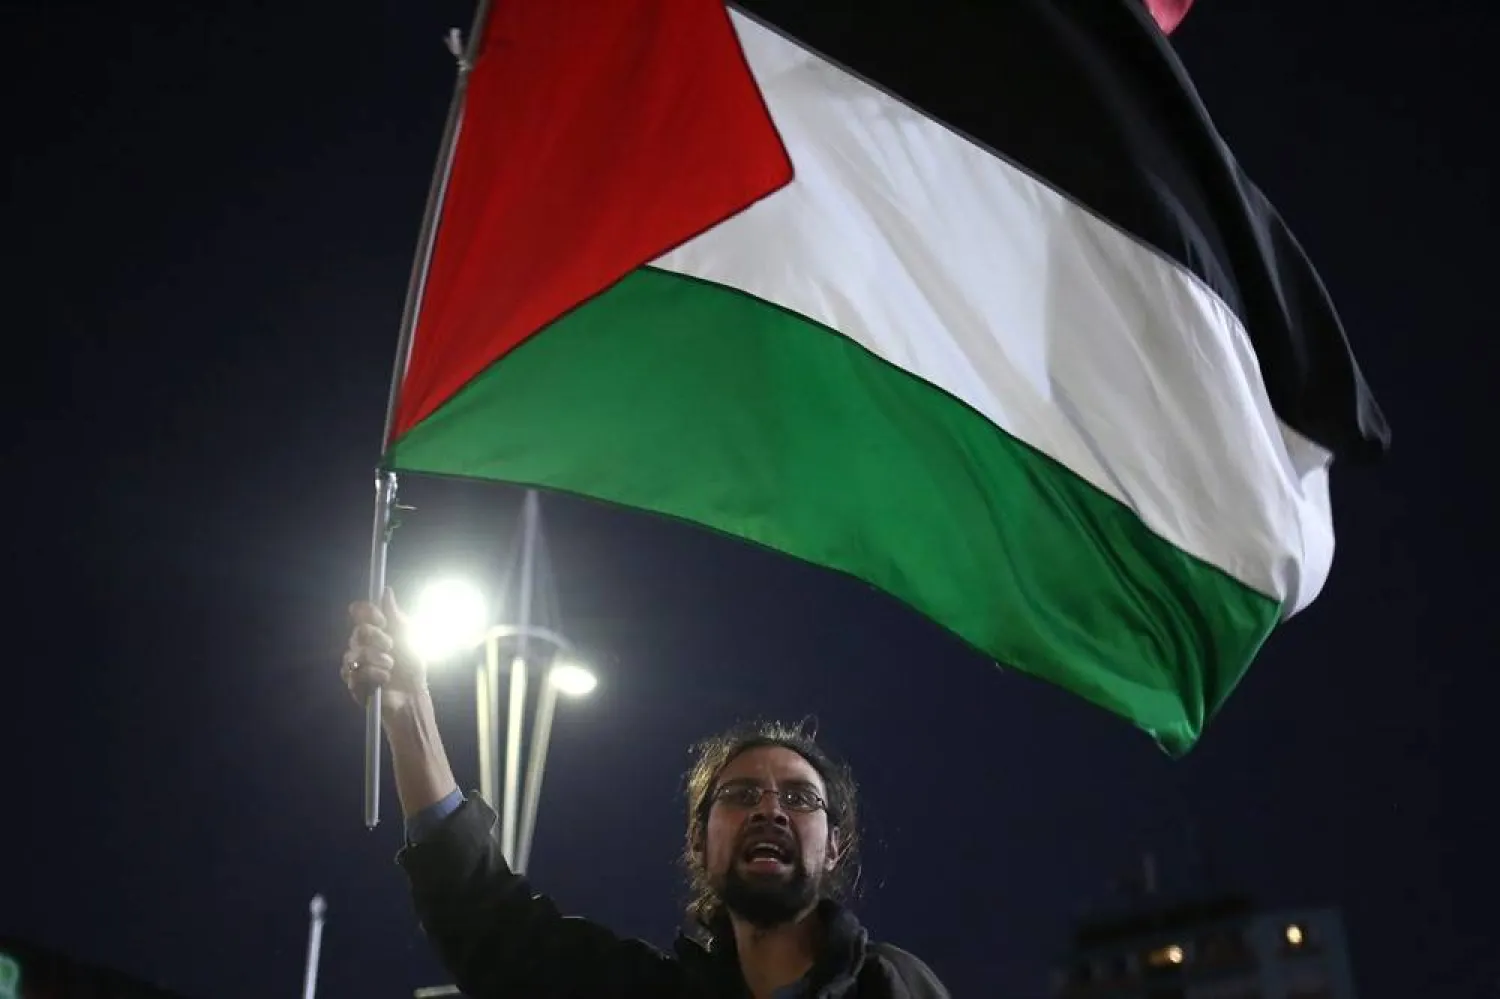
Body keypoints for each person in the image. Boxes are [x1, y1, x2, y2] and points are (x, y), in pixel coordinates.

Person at [343, 589, 952, 998]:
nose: (770, 808)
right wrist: (409, 712)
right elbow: (484, 918)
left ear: (835, 847)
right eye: (741, 794)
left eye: (799, 798)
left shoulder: (893, 987)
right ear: (698, 837)